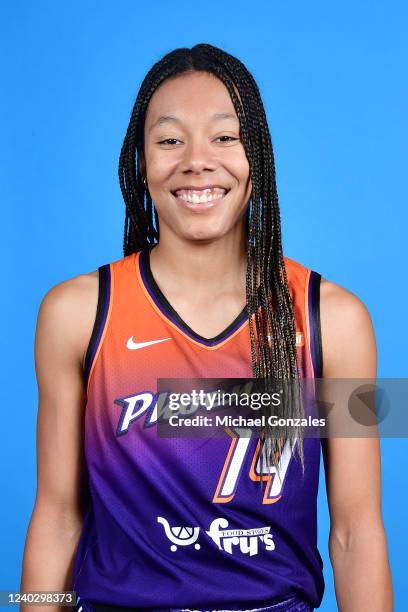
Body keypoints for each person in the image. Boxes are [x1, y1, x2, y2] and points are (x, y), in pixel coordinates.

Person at [20, 44, 393, 612]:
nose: (197, 160)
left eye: (225, 137)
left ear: (258, 157)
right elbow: (57, 516)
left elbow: (356, 534)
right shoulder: (76, 314)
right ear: (139, 162)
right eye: (170, 140)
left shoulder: (336, 321)